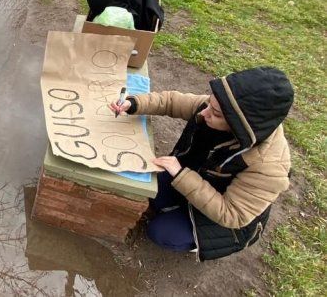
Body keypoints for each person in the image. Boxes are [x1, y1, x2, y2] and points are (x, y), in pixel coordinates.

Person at [108, 67, 293, 261]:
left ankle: (193, 239)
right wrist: (134, 103)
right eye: (210, 104)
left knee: (161, 232)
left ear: (239, 125)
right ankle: (177, 206)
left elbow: (232, 215)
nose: (204, 112)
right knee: (149, 189)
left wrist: (181, 176)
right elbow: (171, 102)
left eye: (215, 113)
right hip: (199, 178)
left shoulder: (269, 167)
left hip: (223, 221)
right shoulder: (223, 108)